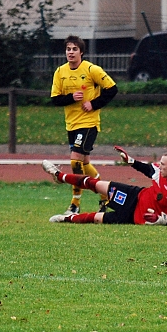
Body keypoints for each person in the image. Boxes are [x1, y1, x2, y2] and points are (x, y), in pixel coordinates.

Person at [50, 35, 118, 215]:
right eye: (68, 49)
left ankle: (75, 203)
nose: (71, 52)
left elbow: (112, 89)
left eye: (74, 49)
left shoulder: (91, 70)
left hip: (88, 123)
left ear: (81, 52)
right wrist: (71, 98)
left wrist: (93, 104)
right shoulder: (60, 72)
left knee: (75, 160)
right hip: (71, 124)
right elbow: (55, 100)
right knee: (85, 162)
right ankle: (105, 196)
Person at [42, 146, 167, 226]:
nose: (159, 166)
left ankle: (65, 219)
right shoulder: (160, 172)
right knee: (96, 184)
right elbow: (146, 168)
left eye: (163, 164)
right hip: (134, 195)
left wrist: (163, 221)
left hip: (134, 216)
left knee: (97, 218)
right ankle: (59, 176)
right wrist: (129, 160)